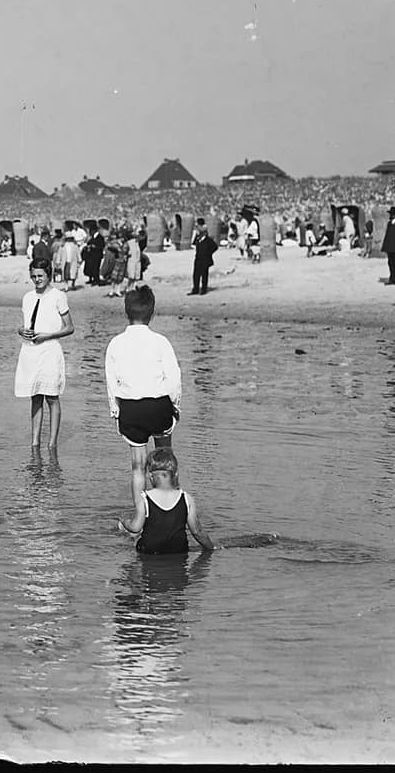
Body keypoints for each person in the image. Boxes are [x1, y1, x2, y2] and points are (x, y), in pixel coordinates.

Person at [105, 284, 182, 510]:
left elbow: (111, 381)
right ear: (153, 312)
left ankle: (140, 518)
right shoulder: (161, 341)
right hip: (159, 406)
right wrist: (175, 406)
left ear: (126, 312)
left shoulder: (116, 343)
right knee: (165, 461)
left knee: (138, 466)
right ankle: (170, 509)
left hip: (131, 409)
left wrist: (115, 410)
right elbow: (174, 378)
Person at [14, 257, 74, 450]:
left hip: (49, 351)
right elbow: (26, 325)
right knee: (35, 396)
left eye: (40, 275)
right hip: (30, 351)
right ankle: (34, 442)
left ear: (49, 275)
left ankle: (52, 443)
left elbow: (70, 327)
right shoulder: (27, 297)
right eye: (33, 276)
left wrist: (48, 335)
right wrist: (21, 331)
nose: (37, 279)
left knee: (52, 396)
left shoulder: (58, 296)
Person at [117, 448, 214, 554]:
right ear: (175, 474)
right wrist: (210, 548)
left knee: (134, 538)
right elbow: (197, 531)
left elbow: (135, 527)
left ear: (150, 476)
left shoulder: (144, 498)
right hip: (179, 549)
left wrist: (125, 521)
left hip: (150, 550)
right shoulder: (186, 498)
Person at [188, 220, 218, 295]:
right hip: (198, 259)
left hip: (205, 260)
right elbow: (193, 243)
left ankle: (204, 289)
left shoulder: (208, 240)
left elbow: (215, 247)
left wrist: (208, 254)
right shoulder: (198, 239)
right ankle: (195, 289)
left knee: (204, 275)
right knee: (196, 275)